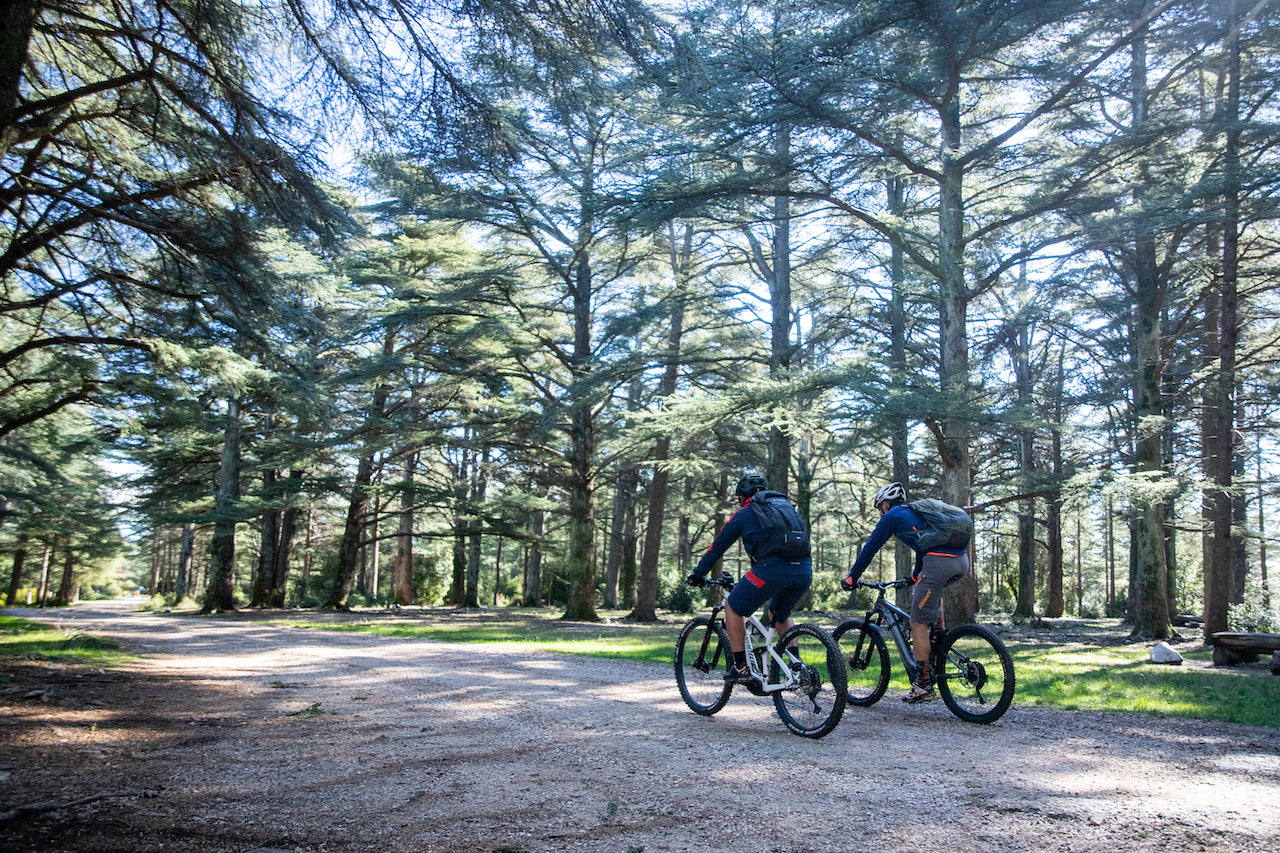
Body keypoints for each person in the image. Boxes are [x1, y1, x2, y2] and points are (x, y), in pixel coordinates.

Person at [841, 482, 969, 703]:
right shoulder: (915, 514)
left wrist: (853, 577)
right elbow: (924, 545)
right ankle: (939, 631)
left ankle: (923, 684)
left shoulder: (891, 517)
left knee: (917, 624)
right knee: (930, 593)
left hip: (939, 563)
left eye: (880, 507)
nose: (880, 511)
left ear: (886, 504)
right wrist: (914, 575)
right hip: (961, 561)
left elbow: (871, 546)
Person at [687, 473, 812, 685]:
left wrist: (698, 573)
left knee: (733, 607)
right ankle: (796, 666)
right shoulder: (786, 509)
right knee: (778, 614)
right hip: (804, 570)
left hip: (770, 570)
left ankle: (741, 667)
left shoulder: (745, 513)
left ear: (741, 496)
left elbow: (716, 547)